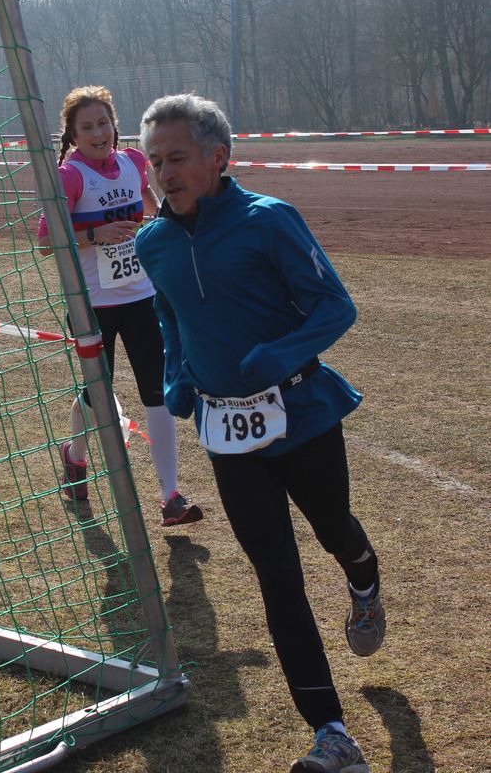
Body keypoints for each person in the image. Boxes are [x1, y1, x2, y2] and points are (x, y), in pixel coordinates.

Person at [135, 93, 386, 773]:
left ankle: (364, 577)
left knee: (333, 531)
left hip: (301, 414)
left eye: (177, 157)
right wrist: (177, 377)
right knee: (277, 576)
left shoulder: (268, 220)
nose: (165, 173)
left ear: (218, 157)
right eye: (155, 161)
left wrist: (281, 352)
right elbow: (168, 318)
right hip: (227, 432)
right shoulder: (152, 243)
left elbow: (335, 306)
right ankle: (331, 733)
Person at [38, 85, 202, 527]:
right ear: (73, 135)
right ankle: (75, 455)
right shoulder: (70, 175)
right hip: (92, 305)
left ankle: (170, 496)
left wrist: (166, 226)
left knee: (157, 392)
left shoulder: (132, 161)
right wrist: (94, 235)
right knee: (98, 394)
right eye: (87, 127)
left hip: (142, 297)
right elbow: (45, 241)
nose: (98, 133)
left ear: (115, 125)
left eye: (103, 123)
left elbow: (153, 207)